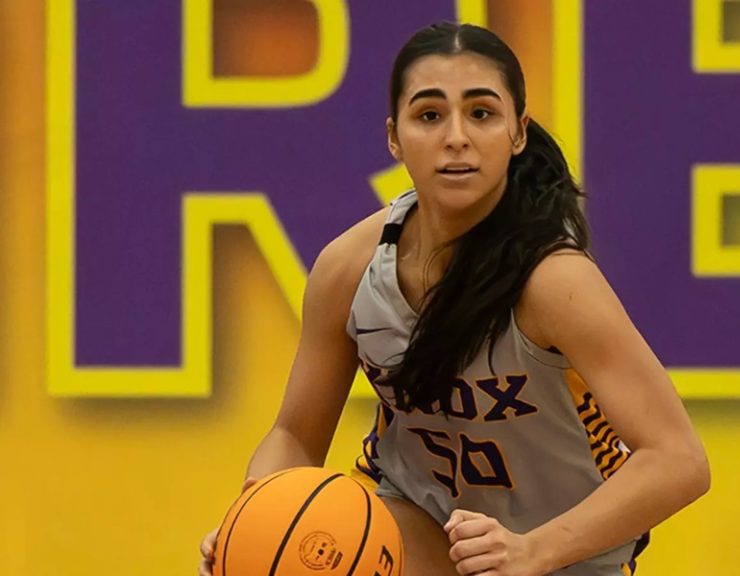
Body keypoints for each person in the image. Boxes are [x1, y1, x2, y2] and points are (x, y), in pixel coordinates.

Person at [199, 21, 710, 576]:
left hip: (561, 546)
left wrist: (531, 551)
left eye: (481, 113)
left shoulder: (555, 283)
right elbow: (295, 436)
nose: (456, 137)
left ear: (518, 133)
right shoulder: (348, 268)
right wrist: (253, 523)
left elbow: (679, 460)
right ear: (394, 137)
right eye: (429, 115)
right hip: (416, 516)